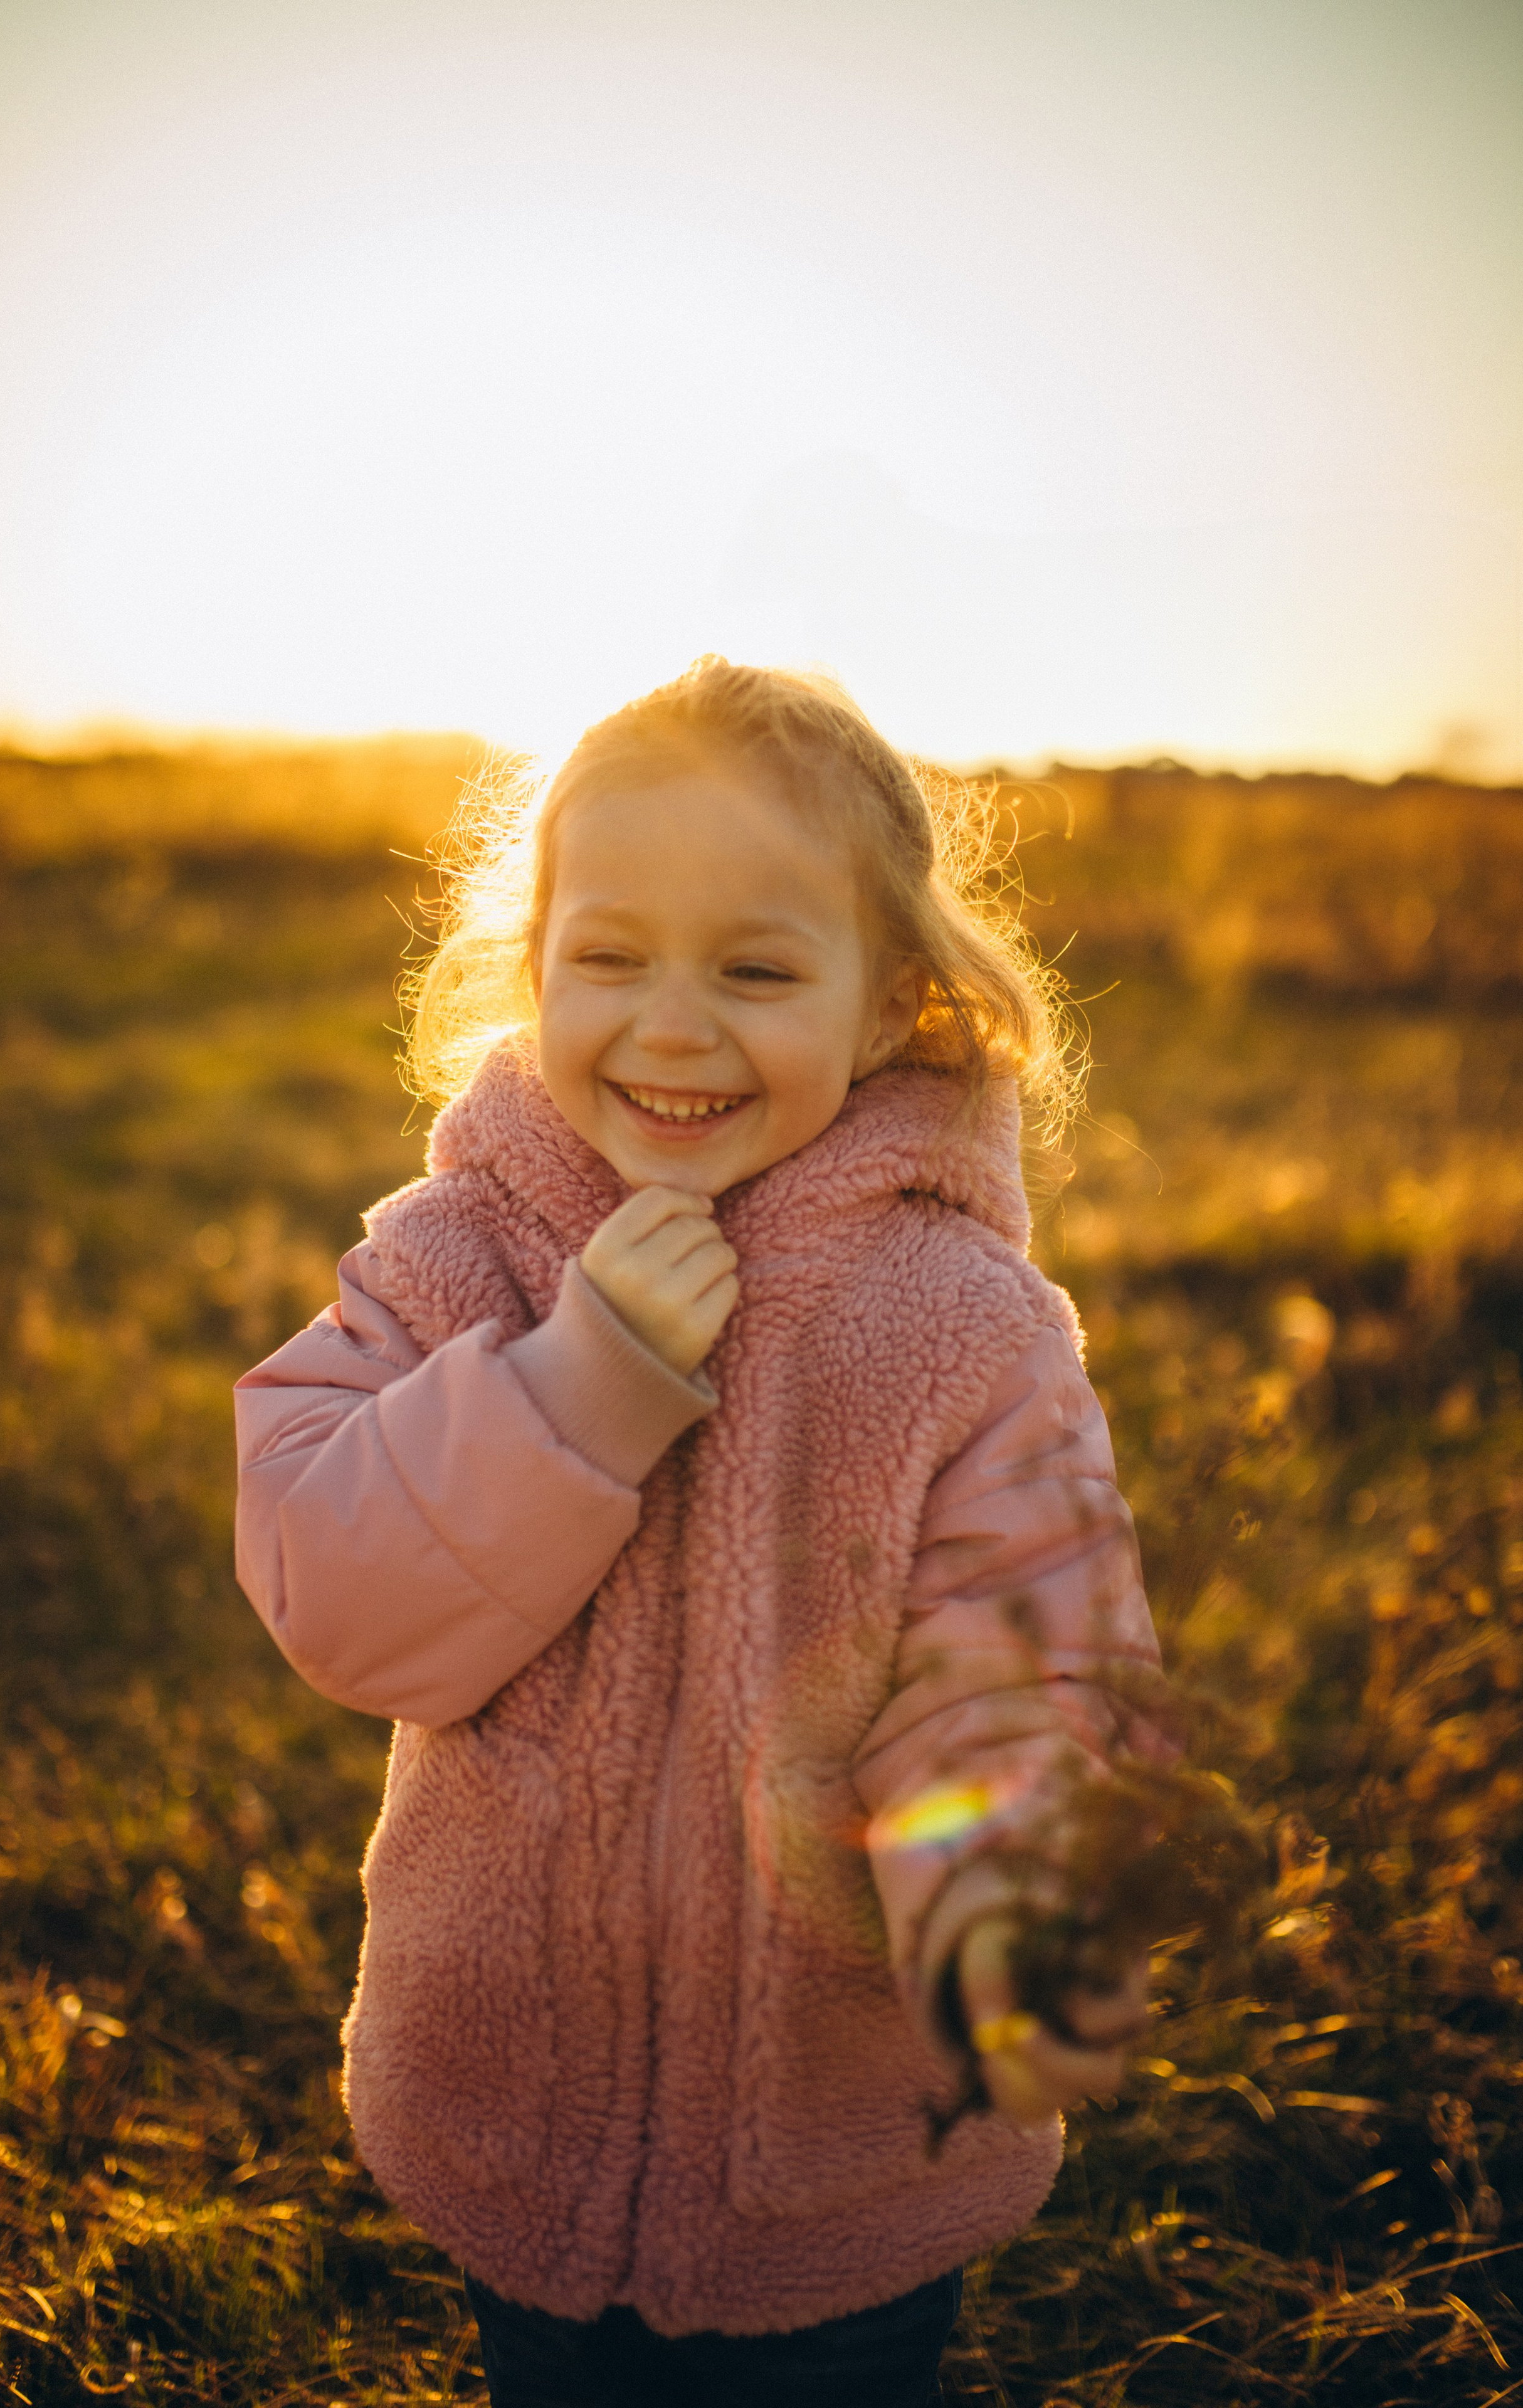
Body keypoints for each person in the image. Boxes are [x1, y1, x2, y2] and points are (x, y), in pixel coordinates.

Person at [233, 658, 1173, 2407]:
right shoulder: (462, 1256)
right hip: (510, 2115)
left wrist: (1008, 1886)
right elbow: (333, 1596)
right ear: (533, 971)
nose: (673, 1024)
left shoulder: (958, 1319)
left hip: (844, 2160)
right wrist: (573, 1389)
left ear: (890, 1002)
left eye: (754, 969)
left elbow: (1037, 1646)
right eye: (610, 957)